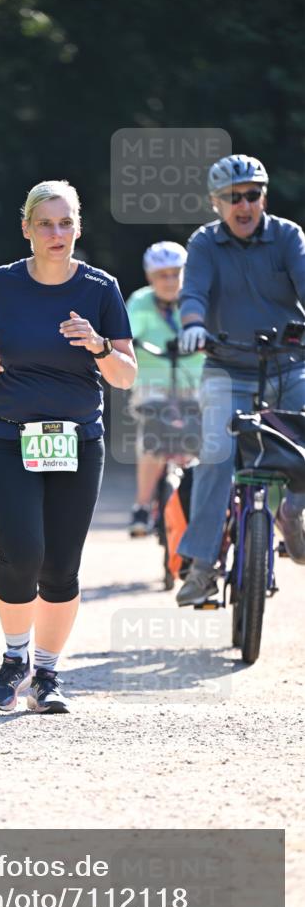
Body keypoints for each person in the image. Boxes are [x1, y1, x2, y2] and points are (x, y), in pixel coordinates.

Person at [0, 180, 136, 713]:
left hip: (78, 442)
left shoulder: (101, 289)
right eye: (45, 224)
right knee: (21, 555)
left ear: (78, 228)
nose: (56, 234)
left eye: (65, 223)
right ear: (27, 229)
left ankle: (47, 676)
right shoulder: (1, 284)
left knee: (60, 566)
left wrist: (99, 345)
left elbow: (125, 376)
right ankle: (14, 661)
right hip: (12, 435)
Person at [175, 154, 305, 606]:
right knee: (215, 454)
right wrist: (192, 324)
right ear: (216, 203)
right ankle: (202, 566)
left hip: (289, 366)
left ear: (263, 197)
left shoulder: (288, 236)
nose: (243, 205)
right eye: (233, 197)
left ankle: (293, 514)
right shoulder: (205, 243)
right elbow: (193, 293)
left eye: (251, 194)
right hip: (226, 368)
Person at [126, 241, 205, 535]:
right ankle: (142, 506)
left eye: (176, 273)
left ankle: (203, 504)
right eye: (162, 275)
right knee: (153, 438)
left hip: (193, 384)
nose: (170, 281)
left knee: (206, 437)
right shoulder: (140, 302)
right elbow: (125, 335)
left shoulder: (196, 301)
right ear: (150, 277)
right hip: (152, 385)